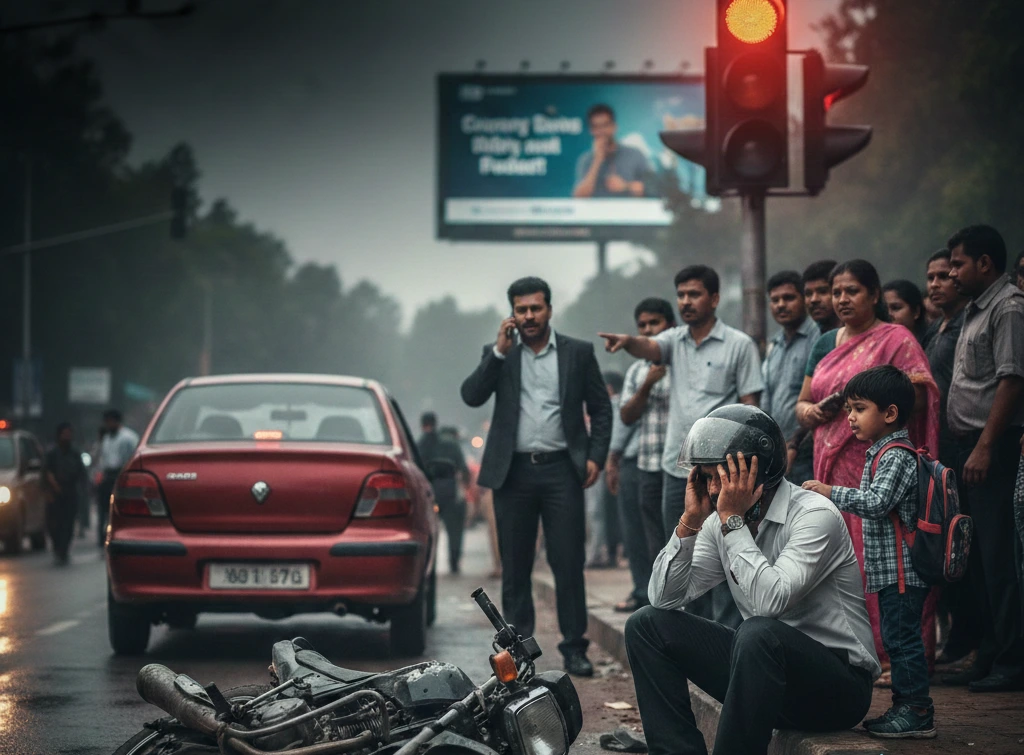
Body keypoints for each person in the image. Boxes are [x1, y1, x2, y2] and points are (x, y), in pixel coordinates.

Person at [625, 405, 879, 755]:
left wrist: (732, 521)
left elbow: (769, 604)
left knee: (758, 631)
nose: (714, 491)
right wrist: (689, 522)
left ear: (755, 473)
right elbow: (664, 598)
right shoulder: (717, 522)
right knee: (645, 624)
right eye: (707, 478)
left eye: (722, 477)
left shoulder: (815, 516)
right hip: (761, 677)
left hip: (837, 688)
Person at [461, 276, 611, 677]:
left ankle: (574, 648)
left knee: (568, 563)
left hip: (563, 470)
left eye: (535, 308)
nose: (528, 316)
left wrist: (596, 455)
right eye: (521, 309)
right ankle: (519, 653)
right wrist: (496, 351)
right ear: (512, 313)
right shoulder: (501, 354)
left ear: (548, 309)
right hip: (514, 473)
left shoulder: (577, 353)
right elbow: (471, 394)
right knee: (516, 567)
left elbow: (601, 407)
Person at [795, 259, 939, 670]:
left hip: (877, 469)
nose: (841, 298)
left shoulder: (895, 338)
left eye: (851, 291)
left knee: (884, 562)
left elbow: (917, 389)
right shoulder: (825, 343)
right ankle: (851, 654)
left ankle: (895, 659)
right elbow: (802, 402)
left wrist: (861, 397)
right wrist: (815, 412)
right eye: (836, 291)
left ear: (874, 295)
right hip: (829, 462)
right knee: (840, 562)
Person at [600, 264, 763, 628]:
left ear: (715, 298)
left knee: (725, 551)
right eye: (682, 295)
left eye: (695, 294)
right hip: (678, 470)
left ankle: (727, 636)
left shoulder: (739, 345)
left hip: (724, 473)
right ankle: (692, 635)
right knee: (682, 550)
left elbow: (752, 407)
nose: (686, 301)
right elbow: (649, 346)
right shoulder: (674, 341)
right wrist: (629, 342)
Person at [804, 366, 936, 738]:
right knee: (897, 639)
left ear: (890, 414)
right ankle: (904, 708)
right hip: (890, 572)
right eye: (848, 409)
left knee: (902, 640)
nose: (850, 417)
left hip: (902, 572)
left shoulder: (896, 455)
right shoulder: (881, 452)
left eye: (859, 409)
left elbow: (878, 503)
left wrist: (832, 492)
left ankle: (916, 711)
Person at [944, 224, 1024, 692]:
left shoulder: (1009, 307)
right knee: (972, 559)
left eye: (957, 263)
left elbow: (1012, 381)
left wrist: (986, 446)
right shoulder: (975, 310)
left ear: (985, 263)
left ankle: (1013, 662)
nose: (952, 273)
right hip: (965, 448)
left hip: (989, 448)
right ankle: (989, 653)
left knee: (997, 557)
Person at [921, 248, 978, 664]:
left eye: (947, 274)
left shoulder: (968, 325)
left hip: (968, 448)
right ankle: (960, 641)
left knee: (969, 549)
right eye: (933, 277)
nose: (939, 283)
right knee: (945, 551)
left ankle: (981, 644)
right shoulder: (938, 330)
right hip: (942, 452)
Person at [617, 297, 677, 611]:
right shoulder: (637, 371)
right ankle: (658, 601)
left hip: (681, 467)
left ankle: (685, 603)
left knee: (682, 536)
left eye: (654, 323)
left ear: (670, 325)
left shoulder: (682, 363)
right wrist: (646, 386)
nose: (648, 330)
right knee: (650, 537)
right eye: (642, 325)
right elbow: (626, 416)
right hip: (648, 463)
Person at [761, 271, 818, 484]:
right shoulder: (774, 345)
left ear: (804, 299)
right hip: (777, 453)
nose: (781, 305)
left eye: (789, 298)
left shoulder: (818, 338)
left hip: (806, 451)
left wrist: (795, 443)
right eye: (775, 300)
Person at [418, 413, 470, 574]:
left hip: (429, 492)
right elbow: (464, 468)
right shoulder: (451, 444)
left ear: (423, 425)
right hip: (450, 491)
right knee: (455, 530)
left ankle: (427, 565)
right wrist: (466, 487)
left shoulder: (420, 443)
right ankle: (454, 562)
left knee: (427, 530)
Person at [573, 104, 653, 198]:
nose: (601, 131)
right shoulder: (586, 159)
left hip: (630, 211)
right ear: (591, 130)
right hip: (597, 212)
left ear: (614, 127)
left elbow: (652, 188)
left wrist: (626, 186)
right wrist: (597, 161)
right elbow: (579, 197)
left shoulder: (635, 154)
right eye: (596, 127)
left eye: (605, 125)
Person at [588, 371, 625, 569]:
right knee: (613, 512)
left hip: (607, 462)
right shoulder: (620, 404)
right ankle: (610, 553)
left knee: (600, 512)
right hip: (615, 462)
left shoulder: (611, 405)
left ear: (608, 388)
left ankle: (602, 553)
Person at [43, 422, 87, 566]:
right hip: (55, 494)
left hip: (71, 492)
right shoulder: (52, 453)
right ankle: (57, 547)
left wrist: (83, 489)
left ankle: (63, 550)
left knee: (68, 524)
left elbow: (81, 473)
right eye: (65, 433)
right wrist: (50, 489)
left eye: (69, 433)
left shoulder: (75, 453)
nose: (67, 436)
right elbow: (45, 473)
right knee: (54, 524)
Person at [97, 409, 139, 547]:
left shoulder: (129, 437)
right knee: (104, 508)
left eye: (110, 421)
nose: (108, 425)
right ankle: (103, 537)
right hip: (108, 476)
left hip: (122, 475)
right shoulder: (107, 439)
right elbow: (103, 459)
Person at [802, 259, 840, 333]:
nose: (814, 300)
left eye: (823, 292)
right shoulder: (810, 336)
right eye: (808, 294)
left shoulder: (861, 335)